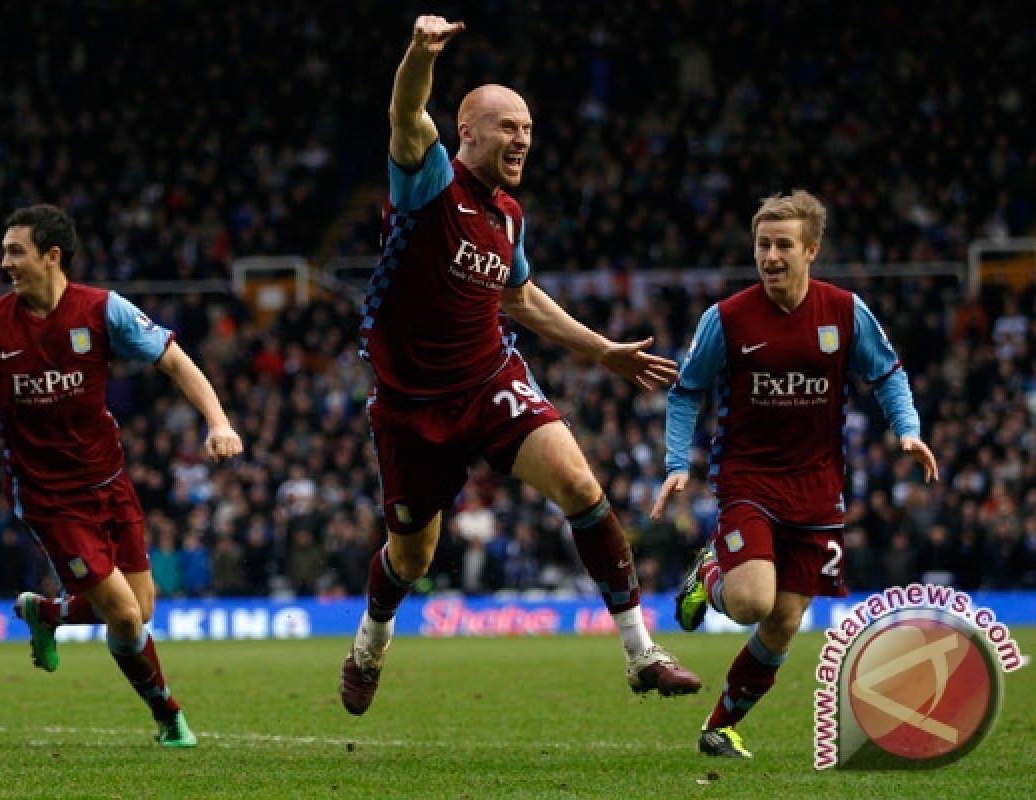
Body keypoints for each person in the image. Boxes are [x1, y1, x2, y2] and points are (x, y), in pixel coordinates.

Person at [339, 16, 700, 717]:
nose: (522, 139)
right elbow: (406, 113)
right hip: (410, 404)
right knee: (410, 559)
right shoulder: (429, 184)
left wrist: (601, 351)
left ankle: (640, 653)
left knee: (580, 485)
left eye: (528, 129)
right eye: (508, 126)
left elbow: (521, 297)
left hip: (488, 381)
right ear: (467, 132)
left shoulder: (509, 218)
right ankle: (368, 648)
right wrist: (420, 52)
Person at [0, 204, 243, 747]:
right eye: (5, 250)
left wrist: (218, 421)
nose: (5, 262)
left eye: (15, 251)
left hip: (109, 480)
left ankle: (47, 612)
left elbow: (175, 361)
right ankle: (168, 715)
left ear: (52, 256)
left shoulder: (103, 311)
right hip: (48, 496)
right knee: (124, 614)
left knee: (142, 608)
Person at [651, 189, 939, 758]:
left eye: (784, 245)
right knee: (754, 601)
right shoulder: (727, 319)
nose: (771, 256)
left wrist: (908, 428)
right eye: (763, 244)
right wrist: (677, 464)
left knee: (784, 621)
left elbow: (889, 373)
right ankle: (710, 572)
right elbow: (686, 391)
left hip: (817, 489)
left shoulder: (845, 312)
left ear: (811, 250)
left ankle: (719, 727)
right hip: (748, 481)